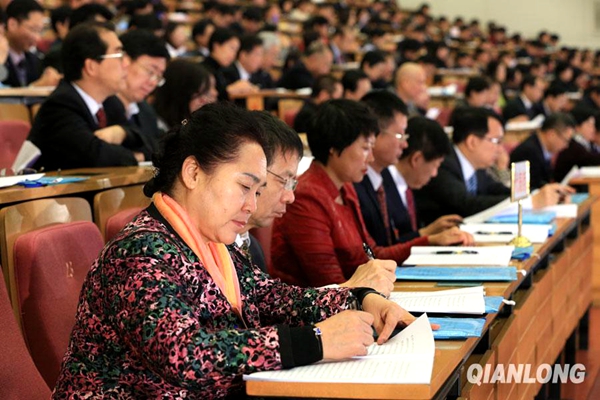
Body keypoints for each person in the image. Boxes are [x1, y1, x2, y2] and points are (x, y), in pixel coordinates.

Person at [52, 103, 416, 398]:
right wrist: (316, 340)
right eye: (244, 186)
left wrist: (361, 299)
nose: (250, 204)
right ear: (193, 173)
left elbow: (273, 297)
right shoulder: (140, 251)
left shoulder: (210, 241)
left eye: (257, 190)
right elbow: (185, 354)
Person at [271, 99, 457, 288]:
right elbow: (329, 284)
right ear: (335, 148)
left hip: (353, 299)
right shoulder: (307, 197)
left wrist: (429, 241)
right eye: (365, 148)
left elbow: (372, 254)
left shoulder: (346, 188)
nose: (371, 157)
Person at [238, 111, 397, 296]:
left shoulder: (249, 245)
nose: (291, 197)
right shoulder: (308, 195)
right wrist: (357, 291)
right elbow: (324, 280)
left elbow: (369, 251)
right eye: (365, 147)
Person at [415, 107, 573, 223]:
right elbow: (467, 205)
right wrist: (530, 202)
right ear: (472, 142)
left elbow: (497, 189)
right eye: (496, 141)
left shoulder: (476, 167)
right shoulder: (444, 163)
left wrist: (537, 195)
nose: (501, 149)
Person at [355, 90, 470, 247]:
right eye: (400, 135)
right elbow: (375, 251)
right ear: (374, 134)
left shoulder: (380, 179)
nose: (405, 144)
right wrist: (427, 237)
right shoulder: (357, 184)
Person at [28, 22, 147, 171]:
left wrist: (123, 133)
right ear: (91, 66)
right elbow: (95, 155)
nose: (126, 64)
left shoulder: (110, 103)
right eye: (119, 55)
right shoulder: (60, 105)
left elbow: (149, 144)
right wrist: (137, 157)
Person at [386, 116, 466, 242]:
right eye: (435, 165)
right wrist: (426, 234)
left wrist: (431, 230)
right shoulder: (382, 189)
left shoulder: (408, 186)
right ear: (416, 159)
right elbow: (387, 245)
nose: (434, 174)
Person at [110, 29, 170, 161]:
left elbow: (163, 148)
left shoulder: (145, 110)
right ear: (124, 61)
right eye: (150, 71)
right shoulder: (100, 106)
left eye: (159, 77)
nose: (153, 82)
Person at [3, 0, 61, 88]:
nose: (38, 38)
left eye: (40, 31)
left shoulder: (34, 61)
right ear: (12, 24)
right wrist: (36, 87)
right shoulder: (2, 59)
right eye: (33, 29)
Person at [510, 112, 576, 189]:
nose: (566, 146)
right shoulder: (527, 152)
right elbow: (525, 189)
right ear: (551, 134)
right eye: (566, 140)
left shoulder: (541, 148)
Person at [153, 59, 217, 133]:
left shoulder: (187, 125)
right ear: (180, 93)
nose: (204, 100)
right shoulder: (156, 127)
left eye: (205, 93)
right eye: (197, 93)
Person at [201, 27, 257, 101]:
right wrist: (230, 90)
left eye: (236, 51)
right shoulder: (203, 70)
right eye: (232, 48)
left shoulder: (227, 71)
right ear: (216, 46)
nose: (234, 54)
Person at [554, 106, 600, 182]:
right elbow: (591, 159)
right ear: (577, 127)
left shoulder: (588, 143)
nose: (593, 129)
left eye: (593, 125)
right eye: (589, 125)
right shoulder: (572, 145)